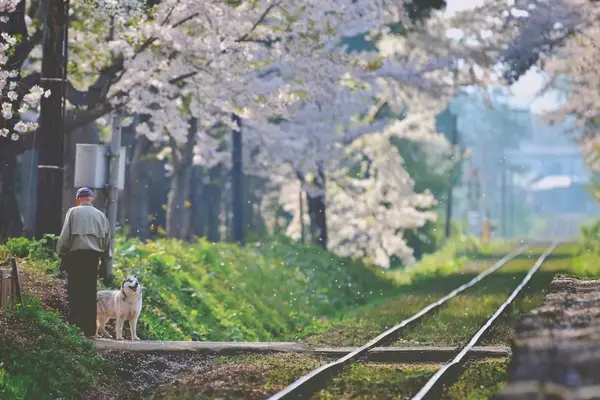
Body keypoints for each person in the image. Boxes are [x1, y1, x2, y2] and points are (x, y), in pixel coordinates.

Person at [56, 187, 111, 337]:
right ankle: (90, 330)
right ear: (91, 200)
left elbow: (65, 237)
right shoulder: (101, 216)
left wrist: (62, 255)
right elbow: (107, 241)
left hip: (75, 257)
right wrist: (105, 262)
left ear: (78, 199)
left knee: (75, 291)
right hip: (93, 259)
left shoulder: (73, 212)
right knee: (89, 292)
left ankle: (74, 327)